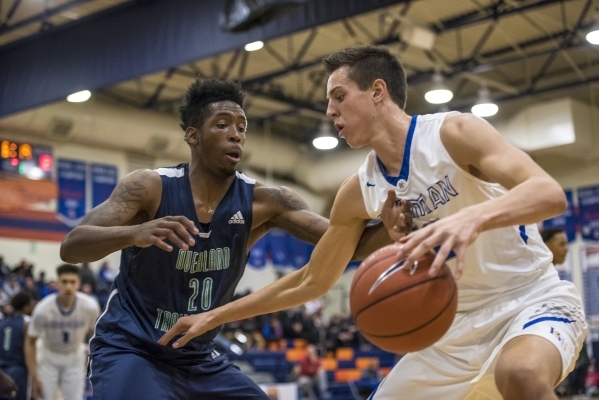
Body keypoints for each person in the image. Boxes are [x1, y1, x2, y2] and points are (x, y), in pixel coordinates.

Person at [162, 45, 587, 400]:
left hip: (530, 300)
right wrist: (216, 315)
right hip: (450, 328)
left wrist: (470, 218)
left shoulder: (454, 133)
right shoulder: (359, 190)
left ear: (378, 92)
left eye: (340, 96)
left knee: (522, 376)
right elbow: (312, 280)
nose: (330, 110)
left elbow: (547, 194)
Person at [59, 79, 405, 400]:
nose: (236, 135)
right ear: (193, 136)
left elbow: (347, 245)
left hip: (199, 358)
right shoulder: (150, 187)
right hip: (131, 349)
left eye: (241, 127)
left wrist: (391, 228)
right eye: (222, 125)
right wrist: (135, 232)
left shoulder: (266, 200)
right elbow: (72, 245)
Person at [25, 264, 100, 400]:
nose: (68, 286)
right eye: (64, 281)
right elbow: (30, 341)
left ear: (79, 283)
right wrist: (33, 375)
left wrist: (92, 354)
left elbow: (95, 334)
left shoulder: (90, 307)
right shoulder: (43, 309)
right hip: (48, 357)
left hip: (74, 357)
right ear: (57, 282)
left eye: (72, 282)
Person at [0, 293, 34, 400]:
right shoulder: (27, 322)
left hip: (2, 372)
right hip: (19, 371)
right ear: (26, 306)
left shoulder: (3, 322)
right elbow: (30, 350)